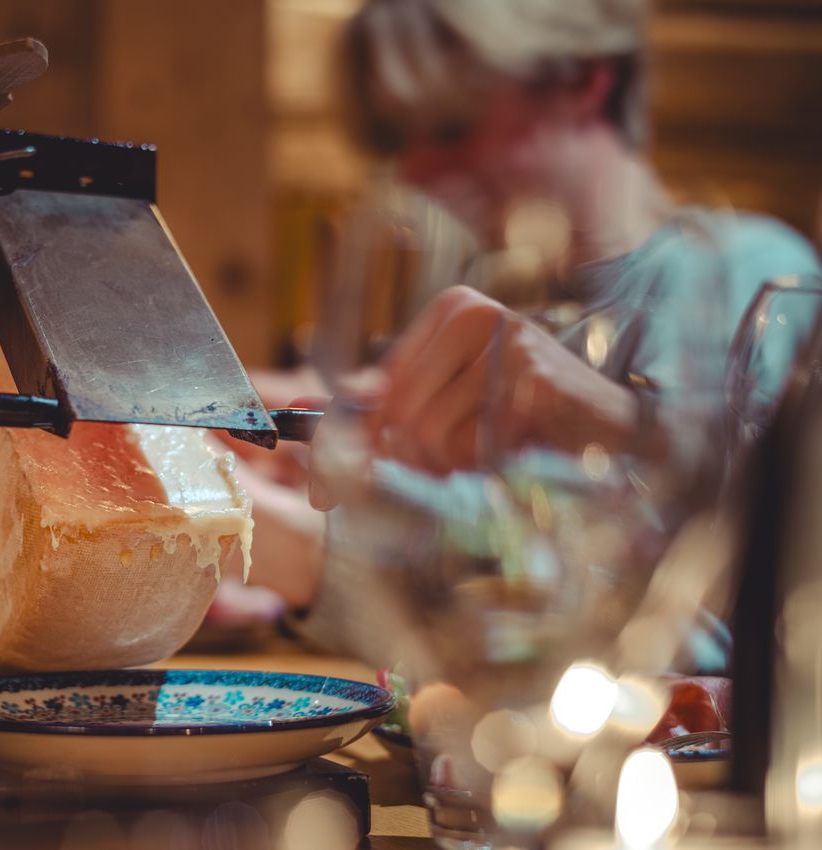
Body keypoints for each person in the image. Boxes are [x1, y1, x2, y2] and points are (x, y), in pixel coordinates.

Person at [234, 0, 821, 667]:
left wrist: (312, 549)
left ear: (581, 75)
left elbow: (762, 627)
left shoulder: (750, 273)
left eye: (451, 126)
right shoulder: (488, 297)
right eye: (402, 137)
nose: (415, 172)